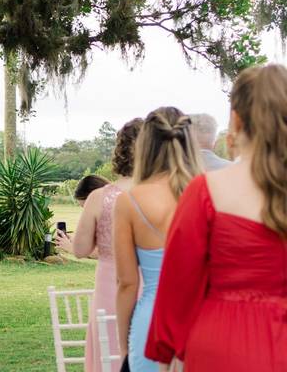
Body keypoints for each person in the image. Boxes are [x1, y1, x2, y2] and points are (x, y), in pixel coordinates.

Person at [147, 64, 287, 371]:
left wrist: (166, 353)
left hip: (224, 344)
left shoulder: (206, 190)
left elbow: (177, 289)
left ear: (236, 119)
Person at [113, 107, 202, 372]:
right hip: (201, 323)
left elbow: (127, 283)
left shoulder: (129, 201)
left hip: (151, 325)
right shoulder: (209, 193)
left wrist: (124, 344)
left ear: (145, 147)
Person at [55, 118, 141, 372]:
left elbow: (80, 249)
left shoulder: (99, 197)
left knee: (109, 348)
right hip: (147, 282)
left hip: (108, 284)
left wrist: (71, 245)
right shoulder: (159, 195)